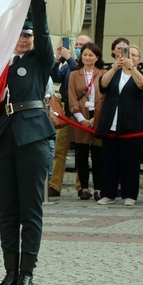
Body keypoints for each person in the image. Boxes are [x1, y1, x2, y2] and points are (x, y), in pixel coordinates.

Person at [0, 0, 54, 285]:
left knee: (30, 210)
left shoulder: (40, 61)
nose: (24, 40)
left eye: (28, 35)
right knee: (7, 212)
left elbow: (43, 34)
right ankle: (9, 273)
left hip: (32, 138)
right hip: (2, 141)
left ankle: (27, 274)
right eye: (20, 34)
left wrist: (37, 0)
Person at [96, 45, 143, 205]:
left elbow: (142, 85)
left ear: (139, 59)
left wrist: (131, 68)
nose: (130, 56)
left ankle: (130, 195)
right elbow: (103, 85)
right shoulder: (114, 73)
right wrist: (113, 68)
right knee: (109, 161)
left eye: (134, 55)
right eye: (128, 54)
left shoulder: (142, 75)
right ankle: (108, 194)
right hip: (111, 122)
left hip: (131, 125)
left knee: (130, 162)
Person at [48, 34, 92, 197]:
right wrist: (58, 60)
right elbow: (55, 77)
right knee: (60, 149)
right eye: (78, 45)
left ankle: (82, 185)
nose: (79, 48)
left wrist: (68, 58)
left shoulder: (86, 65)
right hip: (66, 111)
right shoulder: (68, 63)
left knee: (82, 150)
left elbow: (79, 73)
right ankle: (55, 185)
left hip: (83, 111)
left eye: (83, 45)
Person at [67, 42, 105, 201]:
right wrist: (81, 119)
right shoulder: (75, 74)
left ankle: (98, 187)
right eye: (85, 55)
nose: (88, 58)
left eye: (91, 55)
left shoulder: (104, 73)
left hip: (98, 115)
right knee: (81, 154)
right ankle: (83, 187)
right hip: (80, 116)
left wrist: (96, 117)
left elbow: (106, 97)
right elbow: (72, 97)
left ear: (97, 57)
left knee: (98, 154)